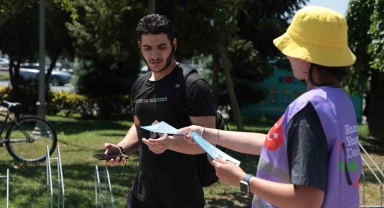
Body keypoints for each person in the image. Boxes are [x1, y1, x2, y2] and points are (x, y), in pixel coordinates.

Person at [145, 6, 362, 208]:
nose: (287, 55)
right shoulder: (339, 103)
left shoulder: (308, 109)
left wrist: (242, 180)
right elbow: (273, 144)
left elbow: (308, 199)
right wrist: (205, 133)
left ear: (307, 58)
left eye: (292, 49)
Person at [103, 14, 217, 208]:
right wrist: (121, 148)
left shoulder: (193, 85)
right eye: (147, 48)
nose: (154, 55)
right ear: (140, 47)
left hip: (182, 199)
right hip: (141, 196)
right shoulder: (140, 84)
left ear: (174, 44)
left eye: (161, 47)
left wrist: (170, 143)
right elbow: (140, 126)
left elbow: (209, 142)